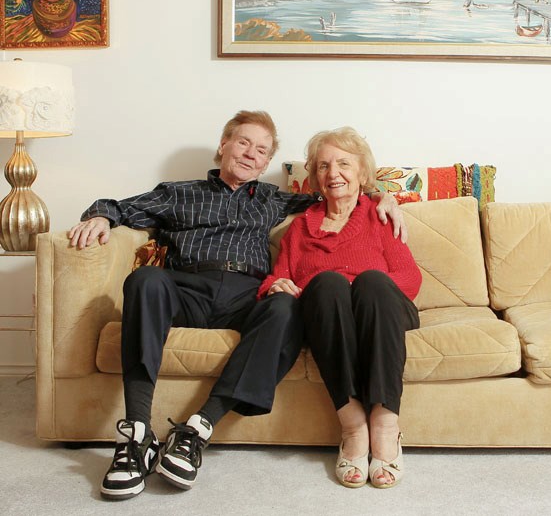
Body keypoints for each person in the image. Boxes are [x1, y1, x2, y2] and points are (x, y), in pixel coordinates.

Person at [68, 111, 406, 501]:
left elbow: (341, 191)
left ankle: (197, 428)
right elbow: (119, 206)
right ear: (223, 145)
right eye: (243, 142)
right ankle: (136, 435)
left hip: (247, 294)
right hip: (187, 287)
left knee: (285, 307)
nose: (250, 154)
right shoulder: (178, 193)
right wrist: (99, 216)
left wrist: (386, 196)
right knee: (144, 279)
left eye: (261, 150)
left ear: (266, 164)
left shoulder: (273, 199)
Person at [257, 126, 421, 489]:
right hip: (329, 317)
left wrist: (357, 287)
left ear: (362, 173)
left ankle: (384, 425)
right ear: (314, 177)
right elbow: (277, 278)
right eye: (323, 166)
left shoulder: (379, 215)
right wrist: (276, 286)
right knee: (327, 283)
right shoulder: (300, 229)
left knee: (371, 281)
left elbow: (409, 279)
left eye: (344, 164)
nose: (333, 174)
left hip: (383, 312)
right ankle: (352, 426)